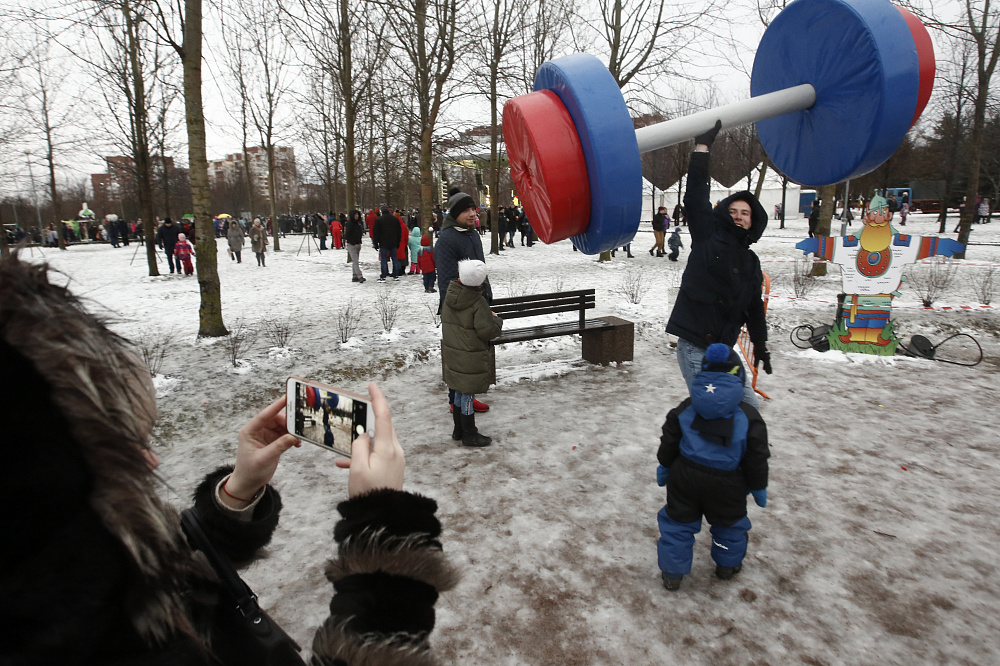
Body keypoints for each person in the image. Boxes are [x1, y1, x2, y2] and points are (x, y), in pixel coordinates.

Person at [0, 254, 458, 664]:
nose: (153, 461)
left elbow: (165, 575)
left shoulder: (65, 594)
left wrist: (236, 495)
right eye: (125, 449)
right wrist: (383, 538)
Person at [665, 120, 771, 410]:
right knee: (716, 413)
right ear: (725, 213)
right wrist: (703, 148)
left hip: (724, 351)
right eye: (734, 210)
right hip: (696, 347)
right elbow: (696, 196)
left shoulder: (751, 260)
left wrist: (760, 344)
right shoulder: (707, 234)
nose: (739, 216)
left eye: (745, 213)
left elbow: (753, 307)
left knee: (750, 411)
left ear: (753, 220)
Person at [655, 343, 769, 591]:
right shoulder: (748, 415)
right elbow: (757, 456)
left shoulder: (687, 406)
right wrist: (758, 486)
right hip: (728, 483)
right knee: (729, 525)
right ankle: (727, 566)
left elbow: (670, 437)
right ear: (739, 376)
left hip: (684, 476)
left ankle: (672, 573)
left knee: (677, 524)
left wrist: (664, 465)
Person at [436, 188, 493, 414]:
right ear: (455, 213)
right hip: (459, 308)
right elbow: (447, 281)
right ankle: (456, 402)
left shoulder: (472, 234)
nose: (472, 214)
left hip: (477, 302)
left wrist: (486, 296)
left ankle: (466, 396)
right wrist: (459, 308)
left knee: (470, 356)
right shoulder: (447, 239)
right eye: (466, 210)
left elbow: (479, 269)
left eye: (473, 209)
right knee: (461, 357)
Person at [441, 259, 502, 447]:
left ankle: (458, 429)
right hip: (470, 355)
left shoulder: (450, 295)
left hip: (454, 353)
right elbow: (488, 332)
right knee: (467, 395)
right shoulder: (477, 302)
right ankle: (470, 433)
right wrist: (497, 320)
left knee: (459, 390)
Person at [372, 206, 402, 282]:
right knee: (395, 259)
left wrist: (375, 243)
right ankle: (395, 275)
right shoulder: (395, 219)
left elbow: (375, 233)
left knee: (384, 259)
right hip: (393, 242)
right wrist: (398, 241)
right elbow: (399, 232)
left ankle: (383, 275)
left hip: (383, 243)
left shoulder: (379, 220)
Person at [344, 209, 366, 283]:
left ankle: (354, 276)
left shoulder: (358, 223)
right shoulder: (349, 223)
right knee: (355, 261)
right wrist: (353, 242)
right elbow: (348, 234)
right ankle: (359, 276)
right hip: (352, 244)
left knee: (355, 261)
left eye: (357, 215)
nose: (356, 216)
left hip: (357, 243)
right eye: (355, 215)